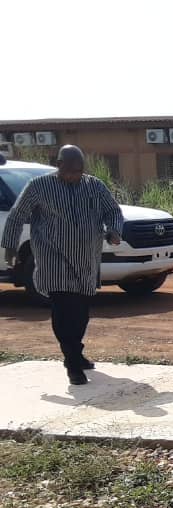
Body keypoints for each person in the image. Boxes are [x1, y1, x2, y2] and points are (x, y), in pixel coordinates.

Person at [2, 145, 123, 385]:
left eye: (79, 171)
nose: (75, 176)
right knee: (63, 307)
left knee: (81, 311)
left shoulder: (94, 186)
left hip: (86, 258)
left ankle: (75, 352)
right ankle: (72, 363)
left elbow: (112, 211)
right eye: (70, 171)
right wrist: (10, 247)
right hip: (53, 257)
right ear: (59, 166)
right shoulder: (38, 186)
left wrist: (114, 231)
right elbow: (17, 215)